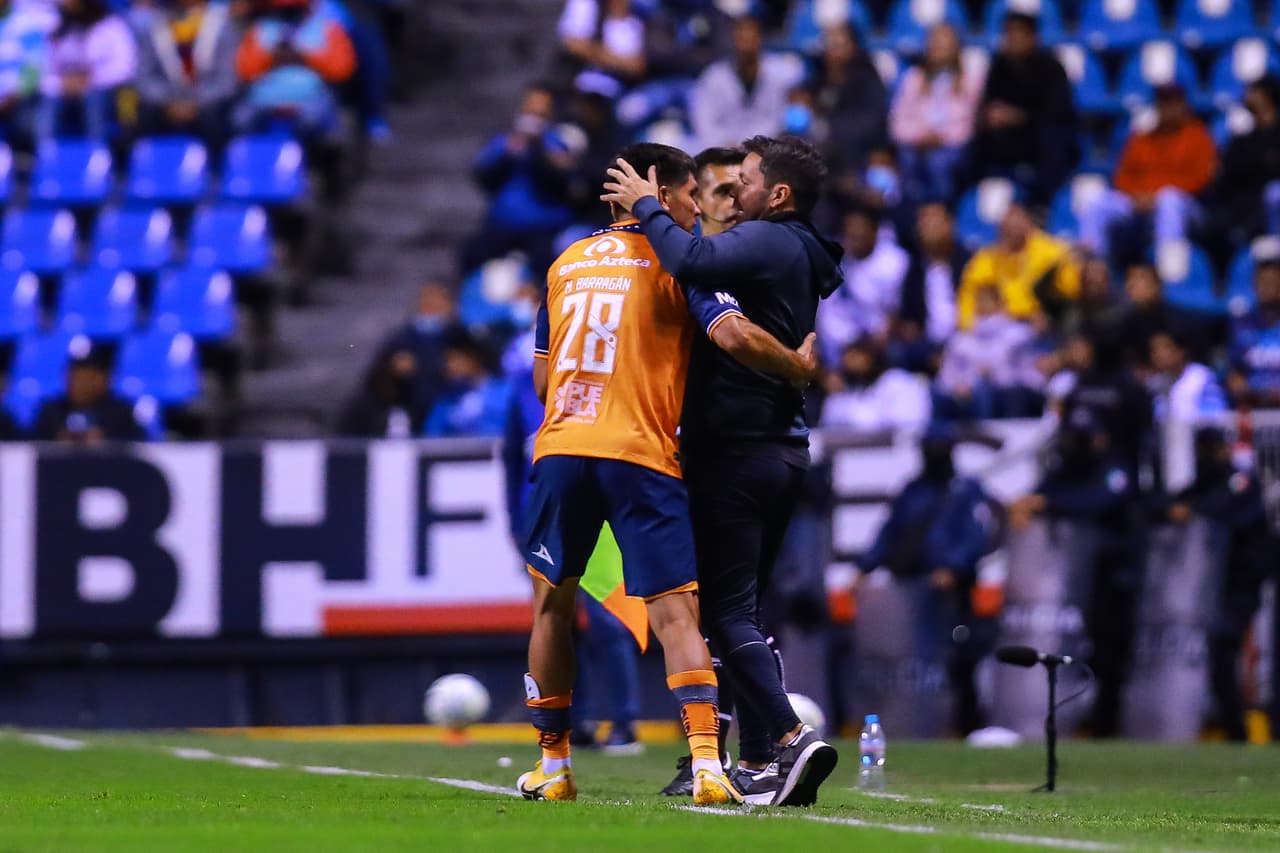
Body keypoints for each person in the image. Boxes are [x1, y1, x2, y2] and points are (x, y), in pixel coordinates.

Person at [519, 142, 817, 805]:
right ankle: (710, 765)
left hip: (564, 447)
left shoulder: (565, 263)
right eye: (690, 195)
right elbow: (734, 335)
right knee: (680, 614)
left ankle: (554, 766)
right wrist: (797, 367)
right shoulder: (679, 263)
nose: (696, 210)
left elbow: (544, 378)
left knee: (552, 605)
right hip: (642, 453)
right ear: (657, 191)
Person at [603, 135, 842, 806]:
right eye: (724, 186)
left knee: (724, 615)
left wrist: (648, 207)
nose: (735, 195)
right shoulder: (794, 250)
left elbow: (691, 262)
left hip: (736, 450)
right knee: (745, 613)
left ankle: (790, 735)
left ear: (780, 194)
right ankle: (764, 760)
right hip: (780, 449)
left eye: (747, 181)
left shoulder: (769, 242)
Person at [855, 428, 1000, 735]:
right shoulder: (912, 490)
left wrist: (954, 568)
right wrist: (864, 567)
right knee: (911, 661)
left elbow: (977, 536)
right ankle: (912, 722)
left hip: (951, 592)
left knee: (959, 657)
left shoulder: (965, 490)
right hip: (910, 590)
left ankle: (962, 725)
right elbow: (890, 533)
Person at [1008, 409, 1142, 737]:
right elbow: (1042, 493)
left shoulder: (1115, 468)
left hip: (1112, 577)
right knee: (1069, 653)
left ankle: (1107, 729)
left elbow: (1100, 501)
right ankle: (1063, 722)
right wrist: (1030, 502)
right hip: (1068, 583)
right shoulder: (1067, 468)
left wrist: (1047, 504)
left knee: (1109, 654)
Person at [1164, 428, 1276, 742]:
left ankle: (1237, 730)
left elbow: (1228, 509)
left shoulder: (1242, 481)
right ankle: (1232, 728)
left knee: (1225, 648)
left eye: (1211, 448)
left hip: (1243, 583)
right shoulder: (1207, 482)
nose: (1208, 455)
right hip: (1215, 585)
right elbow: (1168, 500)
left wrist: (1192, 509)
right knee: (1218, 653)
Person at [1080, 84, 1216, 263]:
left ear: (1183, 106)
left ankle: (1168, 269)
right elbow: (1122, 176)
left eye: (1172, 103)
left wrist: (1155, 195)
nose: (1167, 108)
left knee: (1170, 200)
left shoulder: (1198, 136)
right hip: (1140, 200)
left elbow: (1201, 178)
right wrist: (1136, 195)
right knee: (1097, 203)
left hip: (1188, 206)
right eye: (1163, 102)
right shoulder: (1142, 137)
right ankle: (1093, 267)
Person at [461, 83, 577, 277]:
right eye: (530, 111)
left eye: (540, 114)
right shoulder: (503, 142)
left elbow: (562, 184)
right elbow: (484, 179)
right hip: (502, 225)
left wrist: (540, 152)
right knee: (471, 254)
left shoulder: (558, 143)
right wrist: (509, 154)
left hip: (545, 228)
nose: (533, 119)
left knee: (551, 267)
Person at [972, 10, 1076, 205]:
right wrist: (992, 115)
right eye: (1009, 33)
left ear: (1033, 37)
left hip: (1040, 135)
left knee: (1052, 139)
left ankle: (1043, 205)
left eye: (1019, 33)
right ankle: (972, 200)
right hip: (1008, 137)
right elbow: (988, 103)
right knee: (975, 141)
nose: (1013, 39)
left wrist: (1018, 116)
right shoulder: (999, 67)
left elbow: (1056, 111)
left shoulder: (1052, 68)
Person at [234, 0, 356, 139]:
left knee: (314, 119)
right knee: (241, 118)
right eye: (285, 8)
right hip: (265, 101)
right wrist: (272, 58)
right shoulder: (261, 29)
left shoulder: (327, 28)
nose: (290, 12)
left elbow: (341, 69)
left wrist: (305, 57)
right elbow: (244, 69)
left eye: (296, 7)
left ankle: (316, 158)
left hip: (310, 98)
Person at [890, 23, 983, 204]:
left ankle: (942, 211)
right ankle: (914, 214)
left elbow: (970, 123)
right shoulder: (913, 78)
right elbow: (898, 121)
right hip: (917, 144)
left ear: (957, 47)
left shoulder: (971, 80)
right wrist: (919, 136)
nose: (938, 48)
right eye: (935, 43)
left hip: (954, 146)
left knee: (938, 162)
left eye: (944, 43)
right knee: (906, 159)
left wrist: (943, 137)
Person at [956, 199, 1080, 329]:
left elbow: (1070, 290)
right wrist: (969, 327)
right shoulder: (985, 259)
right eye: (1008, 219)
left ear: (1029, 222)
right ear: (999, 228)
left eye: (1017, 217)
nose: (1013, 225)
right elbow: (968, 297)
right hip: (997, 328)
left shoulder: (1052, 252)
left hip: (1043, 326)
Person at [688, 13, 803, 152]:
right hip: (723, 149)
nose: (747, 45)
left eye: (751, 38)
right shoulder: (713, 77)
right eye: (742, 38)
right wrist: (725, 144)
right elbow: (704, 121)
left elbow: (785, 118)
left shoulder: (784, 73)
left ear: (760, 38)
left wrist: (753, 145)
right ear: (733, 40)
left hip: (769, 149)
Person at [135, 0, 239, 148]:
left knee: (220, 120)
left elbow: (226, 81)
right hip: (164, 105)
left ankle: (215, 168)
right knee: (139, 119)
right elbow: (144, 78)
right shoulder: (154, 28)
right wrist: (169, 102)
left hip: (207, 105)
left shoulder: (221, 28)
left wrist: (194, 103)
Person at [815, 206, 909, 366]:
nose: (854, 237)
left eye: (860, 231)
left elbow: (897, 314)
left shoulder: (895, 262)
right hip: (841, 347)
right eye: (850, 232)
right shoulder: (834, 262)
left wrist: (874, 344)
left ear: (874, 231)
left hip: (880, 344)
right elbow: (825, 314)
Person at [935, 285, 1041, 420]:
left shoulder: (1018, 335)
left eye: (986, 300)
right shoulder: (961, 340)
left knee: (989, 393)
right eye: (978, 300)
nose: (981, 305)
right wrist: (956, 386)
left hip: (1007, 392)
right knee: (941, 394)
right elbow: (947, 374)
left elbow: (1029, 372)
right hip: (968, 394)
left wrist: (994, 376)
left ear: (999, 303)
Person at [37, 0, 136, 142]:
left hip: (105, 90)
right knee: (47, 99)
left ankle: (97, 151)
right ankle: (47, 153)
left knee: (94, 98)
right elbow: (43, 68)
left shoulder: (111, 25)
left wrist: (90, 80)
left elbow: (125, 68)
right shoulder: (57, 29)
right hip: (65, 91)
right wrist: (61, 83)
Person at [810, 22, 887, 203]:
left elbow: (874, 122)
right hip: (822, 158)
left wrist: (834, 127)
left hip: (859, 157)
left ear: (852, 47)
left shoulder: (867, 78)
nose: (833, 50)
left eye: (838, 45)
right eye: (829, 45)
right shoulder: (818, 78)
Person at [1213, 76, 1280, 244]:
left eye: (1255, 90)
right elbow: (1226, 179)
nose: (1249, 95)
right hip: (1247, 209)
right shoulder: (1242, 139)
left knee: (1275, 192)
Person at [897, 202, 966, 366]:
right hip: (928, 344)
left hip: (965, 338)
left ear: (950, 224)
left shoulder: (969, 263)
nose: (928, 228)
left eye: (934, 221)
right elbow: (910, 318)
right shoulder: (915, 271)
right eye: (923, 222)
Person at [33, 348, 147, 443]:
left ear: (105, 380)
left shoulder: (121, 412)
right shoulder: (51, 411)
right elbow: (28, 445)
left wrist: (106, 441)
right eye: (76, 379)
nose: (80, 386)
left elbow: (138, 445)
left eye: (87, 379)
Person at [821, 336, 932, 432]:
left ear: (870, 357)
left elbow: (908, 426)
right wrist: (836, 397)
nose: (847, 364)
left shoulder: (898, 382)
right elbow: (830, 425)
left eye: (854, 357)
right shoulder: (852, 391)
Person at [422, 330, 508, 438]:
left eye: (456, 360)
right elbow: (431, 436)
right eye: (447, 361)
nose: (450, 367)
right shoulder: (445, 400)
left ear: (474, 359)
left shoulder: (505, 392)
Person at [554, 0, 645, 99]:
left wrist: (595, 52)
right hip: (580, 81)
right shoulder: (589, 7)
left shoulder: (637, 23)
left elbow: (638, 66)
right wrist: (620, 61)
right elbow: (573, 45)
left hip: (618, 90)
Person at [1227, 251, 1280, 408]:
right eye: (1262, 282)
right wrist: (1241, 387)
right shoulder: (1241, 324)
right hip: (1254, 408)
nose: (1267, 287)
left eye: (1273, 281)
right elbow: (1234, 375)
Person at [0, 0, 54, 143]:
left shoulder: (25, 24)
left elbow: (34, 67)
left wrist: (14, 96)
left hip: (17, 96)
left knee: (24, 120)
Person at [1147, 331, 1227, 424]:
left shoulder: (1201, 376)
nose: (1158, 355)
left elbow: (1216, 415)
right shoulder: (1155, 382)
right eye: (1154, 350)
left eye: (1164, 348)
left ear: (1180, 351)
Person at [693, 146, 743, 237]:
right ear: (696, 199)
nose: (738, 202)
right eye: (724, 192)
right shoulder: (673, 249)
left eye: (743, 191)